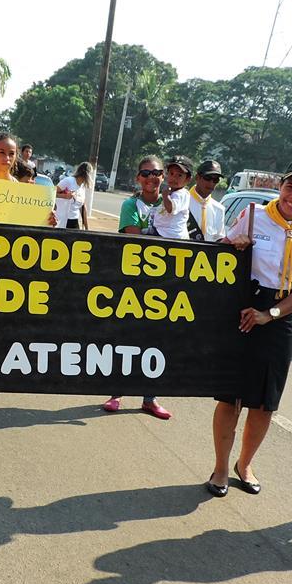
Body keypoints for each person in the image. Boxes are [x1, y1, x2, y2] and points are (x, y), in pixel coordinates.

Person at [206, 160, 292, 497]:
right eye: (291, 187)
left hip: (279, 316)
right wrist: (234, 246)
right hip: (243, 309)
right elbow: (222, 256)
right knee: (231, 396)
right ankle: (221, 468)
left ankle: (246, 464)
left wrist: (269, 314)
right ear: (280, 186)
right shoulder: (253, 215)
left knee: (265, 403)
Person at [103, 155, 171, 421]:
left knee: (154, 341)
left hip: (163, 284)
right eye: (146, 173)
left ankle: (149, 397)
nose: (151, 178)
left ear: (163, 176)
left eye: (156, 173)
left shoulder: (173, 205)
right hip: (132, 281)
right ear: (138, 178)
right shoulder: (131, 204)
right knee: (127, 338)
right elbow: (133, 236)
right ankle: (116, 393)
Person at [151, 156, 193, 239]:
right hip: (163, 232)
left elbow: (171, 209)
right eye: (171, 173)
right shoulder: (172, 192)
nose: (174, 178)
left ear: (188, 179)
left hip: (172, 236)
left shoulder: (182, 194)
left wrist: (165, 197)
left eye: (179, 175)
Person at [188, 160, 228, 242]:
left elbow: (219, 240)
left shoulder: (219, 209)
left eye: (215, 180)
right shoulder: (181, 201)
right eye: (208, 178)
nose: (211, 183)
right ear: (197, 178)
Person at [55, 161, 91, 229]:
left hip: (74, 221)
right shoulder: (69, 181)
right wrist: (64, 196)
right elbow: (52, 193)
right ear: (86, 173)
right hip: (62, 221)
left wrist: (86, 228)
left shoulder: (82, 187)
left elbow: (83, 207)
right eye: (90, 174)